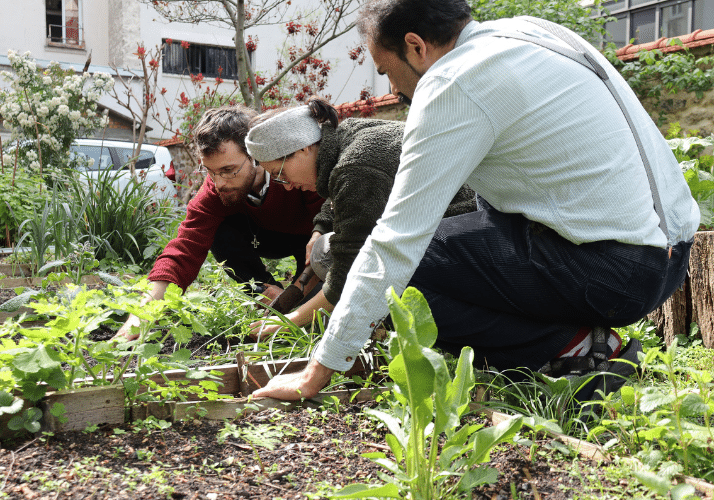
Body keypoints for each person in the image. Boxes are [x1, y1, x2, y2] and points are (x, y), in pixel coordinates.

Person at [252, 0, 700, 402]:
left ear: (415, 46)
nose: (393, 87)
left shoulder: (454, 81)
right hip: (671, 253)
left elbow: (395, 241)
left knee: (395, 277)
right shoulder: (528, 32)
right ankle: (566, 338)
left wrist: (319, 369)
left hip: (617, 272)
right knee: (459, 226)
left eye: (387, 70)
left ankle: (576, 352)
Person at [244, 96, 478, 338]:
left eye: (280, 173)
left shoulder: (355, 166)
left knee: (339, 259)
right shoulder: (346, 137)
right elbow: (341, 198)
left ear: (302, 147)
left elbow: (350, 272)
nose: (288, 186)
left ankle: (409, 330)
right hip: (455, 228)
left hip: (459, 243)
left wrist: (288, 323)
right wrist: (319, 230)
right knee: (324, 249)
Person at [115, 105, 324, 339]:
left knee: (314, 315)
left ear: (255, 156)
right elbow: (183, 250)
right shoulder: (215, 190)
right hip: (261, 237)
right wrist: (137, 319)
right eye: (211, 172)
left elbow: (333, 235)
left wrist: (294, 297)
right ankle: (264, 293)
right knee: (220, 231)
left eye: (228, 170)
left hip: (310, 239)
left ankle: (287, 302)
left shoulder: (299, 173)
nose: (219, 183)